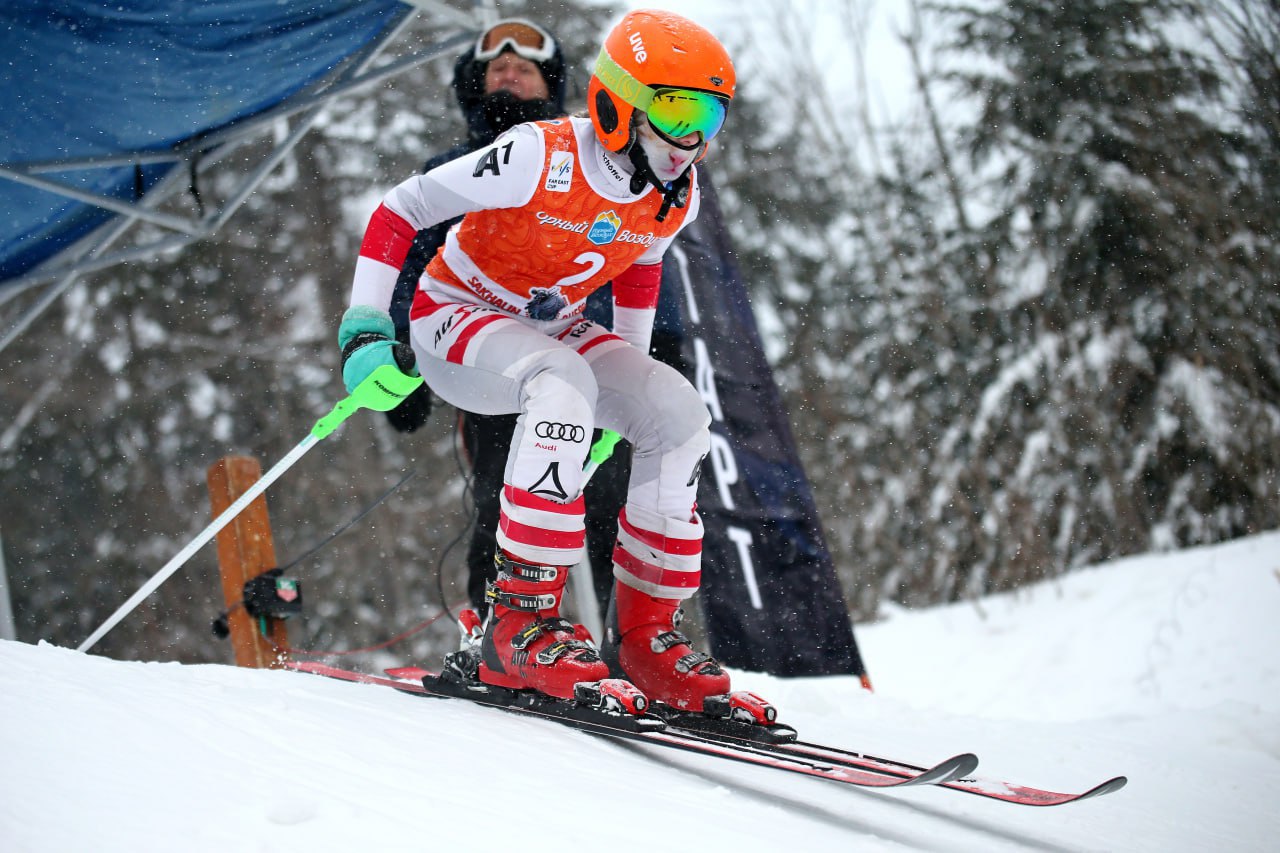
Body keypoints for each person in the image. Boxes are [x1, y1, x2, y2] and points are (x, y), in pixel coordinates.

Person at [339, 10, 736, 711]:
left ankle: (645, 636)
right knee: (564, 384)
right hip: (452, 317)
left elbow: (639, 270)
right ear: (622, 104)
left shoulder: (676, 194)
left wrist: (634, 391)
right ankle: (517, 624)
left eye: (709, 114)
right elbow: (401, 209)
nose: (693, 137)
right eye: (676, 110)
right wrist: (365, 327)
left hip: (543, 328)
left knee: (677, 412)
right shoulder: (539, 154)